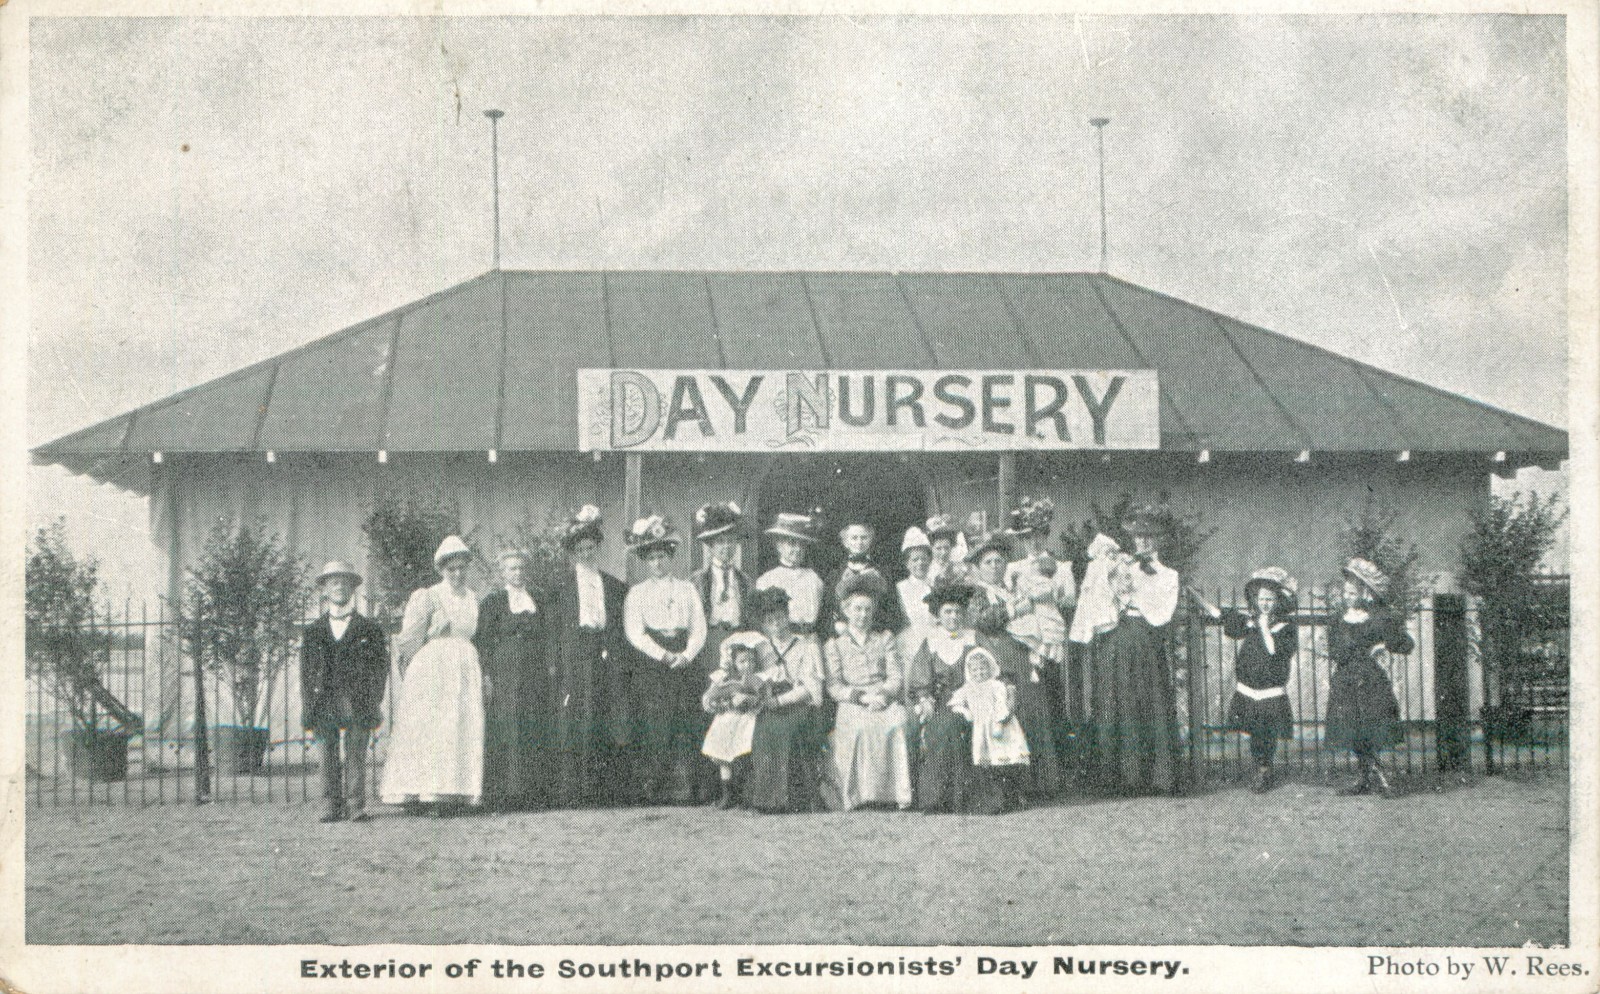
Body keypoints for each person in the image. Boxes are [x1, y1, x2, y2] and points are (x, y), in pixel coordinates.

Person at [1078, 506, 1184, 796]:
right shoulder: (1121, 566)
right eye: (1139, 538)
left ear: (1159, 540)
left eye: (1149, 538)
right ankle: (1120, 778)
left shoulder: (1168, 575)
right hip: (1116, 640)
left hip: (1145, 641)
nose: (1143, 543)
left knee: (1147, 702)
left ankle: (1154, 776)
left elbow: (1161, 613)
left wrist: (1132, 593)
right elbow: (1099, 601)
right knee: (1115, 702)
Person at [379, 536, 486, 814]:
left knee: (459, 727)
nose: (458, 574)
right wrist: (419, 658)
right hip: (434, 667)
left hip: (465, 667)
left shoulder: (473, 597)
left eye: (462, 568)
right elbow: (408, 639)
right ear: (441, 569)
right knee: (432, 729)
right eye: (451, 569)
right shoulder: (428, 596)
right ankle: (424, 792)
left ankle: (453, 792)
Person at [968, 530, 1062, 804]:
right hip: (996, 653)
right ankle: (1013, 785)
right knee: (1009, 708)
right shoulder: (978, 593)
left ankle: (1040, 781)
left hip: (1021, 652)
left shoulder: (1010, 589)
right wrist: (1015, 611)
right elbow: (982, 620)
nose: (995, 567)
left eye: (999, 562)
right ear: (978, 568)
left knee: (1034, 705)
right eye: (988, 563)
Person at [547, 506, 631, 807]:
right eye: (580, 549)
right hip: (575, 655)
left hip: (605, 653)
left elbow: (621, 626)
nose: (586, 554)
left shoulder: (613, 586)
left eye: (590, 548)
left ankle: (604, 790)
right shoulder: (560, 589)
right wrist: (555, 664)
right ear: (572, 553)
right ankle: (575, 790)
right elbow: (554, 631)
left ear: (598, 548)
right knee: (576, 717)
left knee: (606, 715)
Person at [623, 514, 709, 805]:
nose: (658, 563)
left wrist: (686, 655)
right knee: (657, 723)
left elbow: (699, 627)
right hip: (654, 660)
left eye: (662, 556)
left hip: (684, 656)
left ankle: (689, 789)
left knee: (687, 719)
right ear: (646, 562)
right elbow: (635, 633)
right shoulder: (637, 593)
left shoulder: (687, 589)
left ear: (670, 557)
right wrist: (662, 654)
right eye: (652, 558)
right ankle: (657, 788)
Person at [1191, 568, 1299, 793]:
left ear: (1278, 601)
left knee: (1267, 732)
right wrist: (1197, 597)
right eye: (1262, 599)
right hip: (1249, 689)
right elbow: (1220, 615)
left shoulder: (1286, 628)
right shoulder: (1250, 622)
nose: (1266, 603)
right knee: (1255, 731)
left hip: (1270, 690)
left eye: (1270, 599)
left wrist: (1263, 626)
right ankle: (1260, 768)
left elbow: (1273, 651)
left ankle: (1265, 769)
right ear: (1256, 600)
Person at [300, 560, 389, 823]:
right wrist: (308, 703)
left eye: (344, 582)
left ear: (353, 588)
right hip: (324, 698)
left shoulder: (368, 629)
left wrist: (373, 697)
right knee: (326, 752)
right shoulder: (313, 631)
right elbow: (305, 672)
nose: (339, 587)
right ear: (325, 590)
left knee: (356, 751)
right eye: (333, 582)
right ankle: (330, 804)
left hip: (357, 698)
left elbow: (379, 667)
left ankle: (355, 804)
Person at [906, 579, 1001, 814]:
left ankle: (975, 799)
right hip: (941, 703)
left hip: (976, 699)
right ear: (938, 615)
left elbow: (993, 667)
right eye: (948, 612)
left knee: (969, 724)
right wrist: (924, 698)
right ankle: (939, 798)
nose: (953, 617)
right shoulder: (931, 642)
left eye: (958, 612)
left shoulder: (975, 638)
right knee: (945, 725)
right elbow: (920, 679)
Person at [821, 572, 914, 811]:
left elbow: (895, 675)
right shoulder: (835, 645)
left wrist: (883, 695)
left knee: (897, 721)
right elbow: (834, 685)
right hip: (853, 700)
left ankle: (895, 794)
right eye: (857, 609)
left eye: (867, 610)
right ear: (846, 611)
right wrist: (861, 697)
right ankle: (860, 795)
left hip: (882, 696)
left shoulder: (884, 639)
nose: (862, 615)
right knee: (860, 728)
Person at [1325, 557, 1414, 798]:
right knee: (1352, 730)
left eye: (1352, 592)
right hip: (1346, 680)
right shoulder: (1337, 621)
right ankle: (1372, 776)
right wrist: (1356, 649)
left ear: (1364, 592)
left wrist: (1383, 645)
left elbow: (1406, 644)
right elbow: (1335, 652)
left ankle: (1373, 776)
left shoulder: (1379, 618)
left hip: (1371, 680)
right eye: (1345, 591)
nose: (1347, 596)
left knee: (1371, 729)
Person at [473, 548, 547, 811]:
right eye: (512, 569)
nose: (517, 573)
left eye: (521, 568)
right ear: (503, 573)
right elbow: (482, 642)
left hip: (535, 671)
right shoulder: (493, 602)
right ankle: (507, 794)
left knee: (533, 724)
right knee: (508, 726)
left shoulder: (538, 598)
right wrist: (487, 674)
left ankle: (533, 792)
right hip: (506, 673)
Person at [743, 587, 826, 814]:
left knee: (786, 730)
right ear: (764, 625)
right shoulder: (760, 649)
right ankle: (765, 799)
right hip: (768, 703)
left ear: (787, 617)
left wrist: (780, 701)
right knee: (762, 729)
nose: (776, 625)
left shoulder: (805, 647)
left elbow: (811, 690)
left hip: (797, 704)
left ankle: (792, 799)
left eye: (780, 618)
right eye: (770, 621)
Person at [690, 501, 752, 801]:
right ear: (710, 547)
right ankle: (709, 786)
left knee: (737, 709)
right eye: (720, 544)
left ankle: (736, 786)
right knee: (711, 707)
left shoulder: (744, 581)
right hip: (709, 643)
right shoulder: (698, 581)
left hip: (738, 641)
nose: (726, 549)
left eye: (731, 543)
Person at [949, 646, 1030, 809]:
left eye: (983, 669)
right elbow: (955, 702)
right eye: (975, 670)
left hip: (999, 726)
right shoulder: (967, 688)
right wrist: (965, 712)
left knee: (1004, 760)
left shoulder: (996, 685)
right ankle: (992, 797)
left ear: (990, 668)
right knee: (986, 763)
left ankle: (1013, 795)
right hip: (980, 728)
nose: (979, 673)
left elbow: (1001, 703)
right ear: (969, 672)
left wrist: (1000, 720)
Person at [699, 630, 770, 809]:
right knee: (722, 754)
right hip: (727, 719)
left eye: (751, 661)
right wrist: (727, 701)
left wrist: (750, 700)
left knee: (742, 752)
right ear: (733, 662)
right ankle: (727, 794)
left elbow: (764, 699)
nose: (748, 665)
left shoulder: (758, 679)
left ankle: (744, 794)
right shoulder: (723, 678)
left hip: (748, 718)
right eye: (743, 661)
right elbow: (708, 699)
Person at [821, 520, 904, 636]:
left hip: (875, 636)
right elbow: (825, 613)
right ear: (845, 542)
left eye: (864, 537)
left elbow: (893, 612)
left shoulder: (882, 573)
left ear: (870, 540)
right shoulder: (835, 575)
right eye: (854, 538)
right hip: (843, 637)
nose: (859, 542)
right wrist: (835, 625)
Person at [756, 513, 826, 636]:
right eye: (792, 543)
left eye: (801, 544)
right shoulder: (767, 580)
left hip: (810, 641)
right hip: (782, 641)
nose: (798, 549)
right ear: (779, 546)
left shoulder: (814, 579)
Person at [896, 526, 936, 654]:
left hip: (935, 643)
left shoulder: (936, 586)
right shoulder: (900, 588)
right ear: (907, 563)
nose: (920, 563)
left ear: (930, 561)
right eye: (915, 559)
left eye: (924, 559)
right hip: (909, 646)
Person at [924, 514, 969, 584]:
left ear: (951, 548)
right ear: (931, 548)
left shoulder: (959, 569)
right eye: (938, 548)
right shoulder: (926, 570)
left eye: (946, 548)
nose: (943, 552)